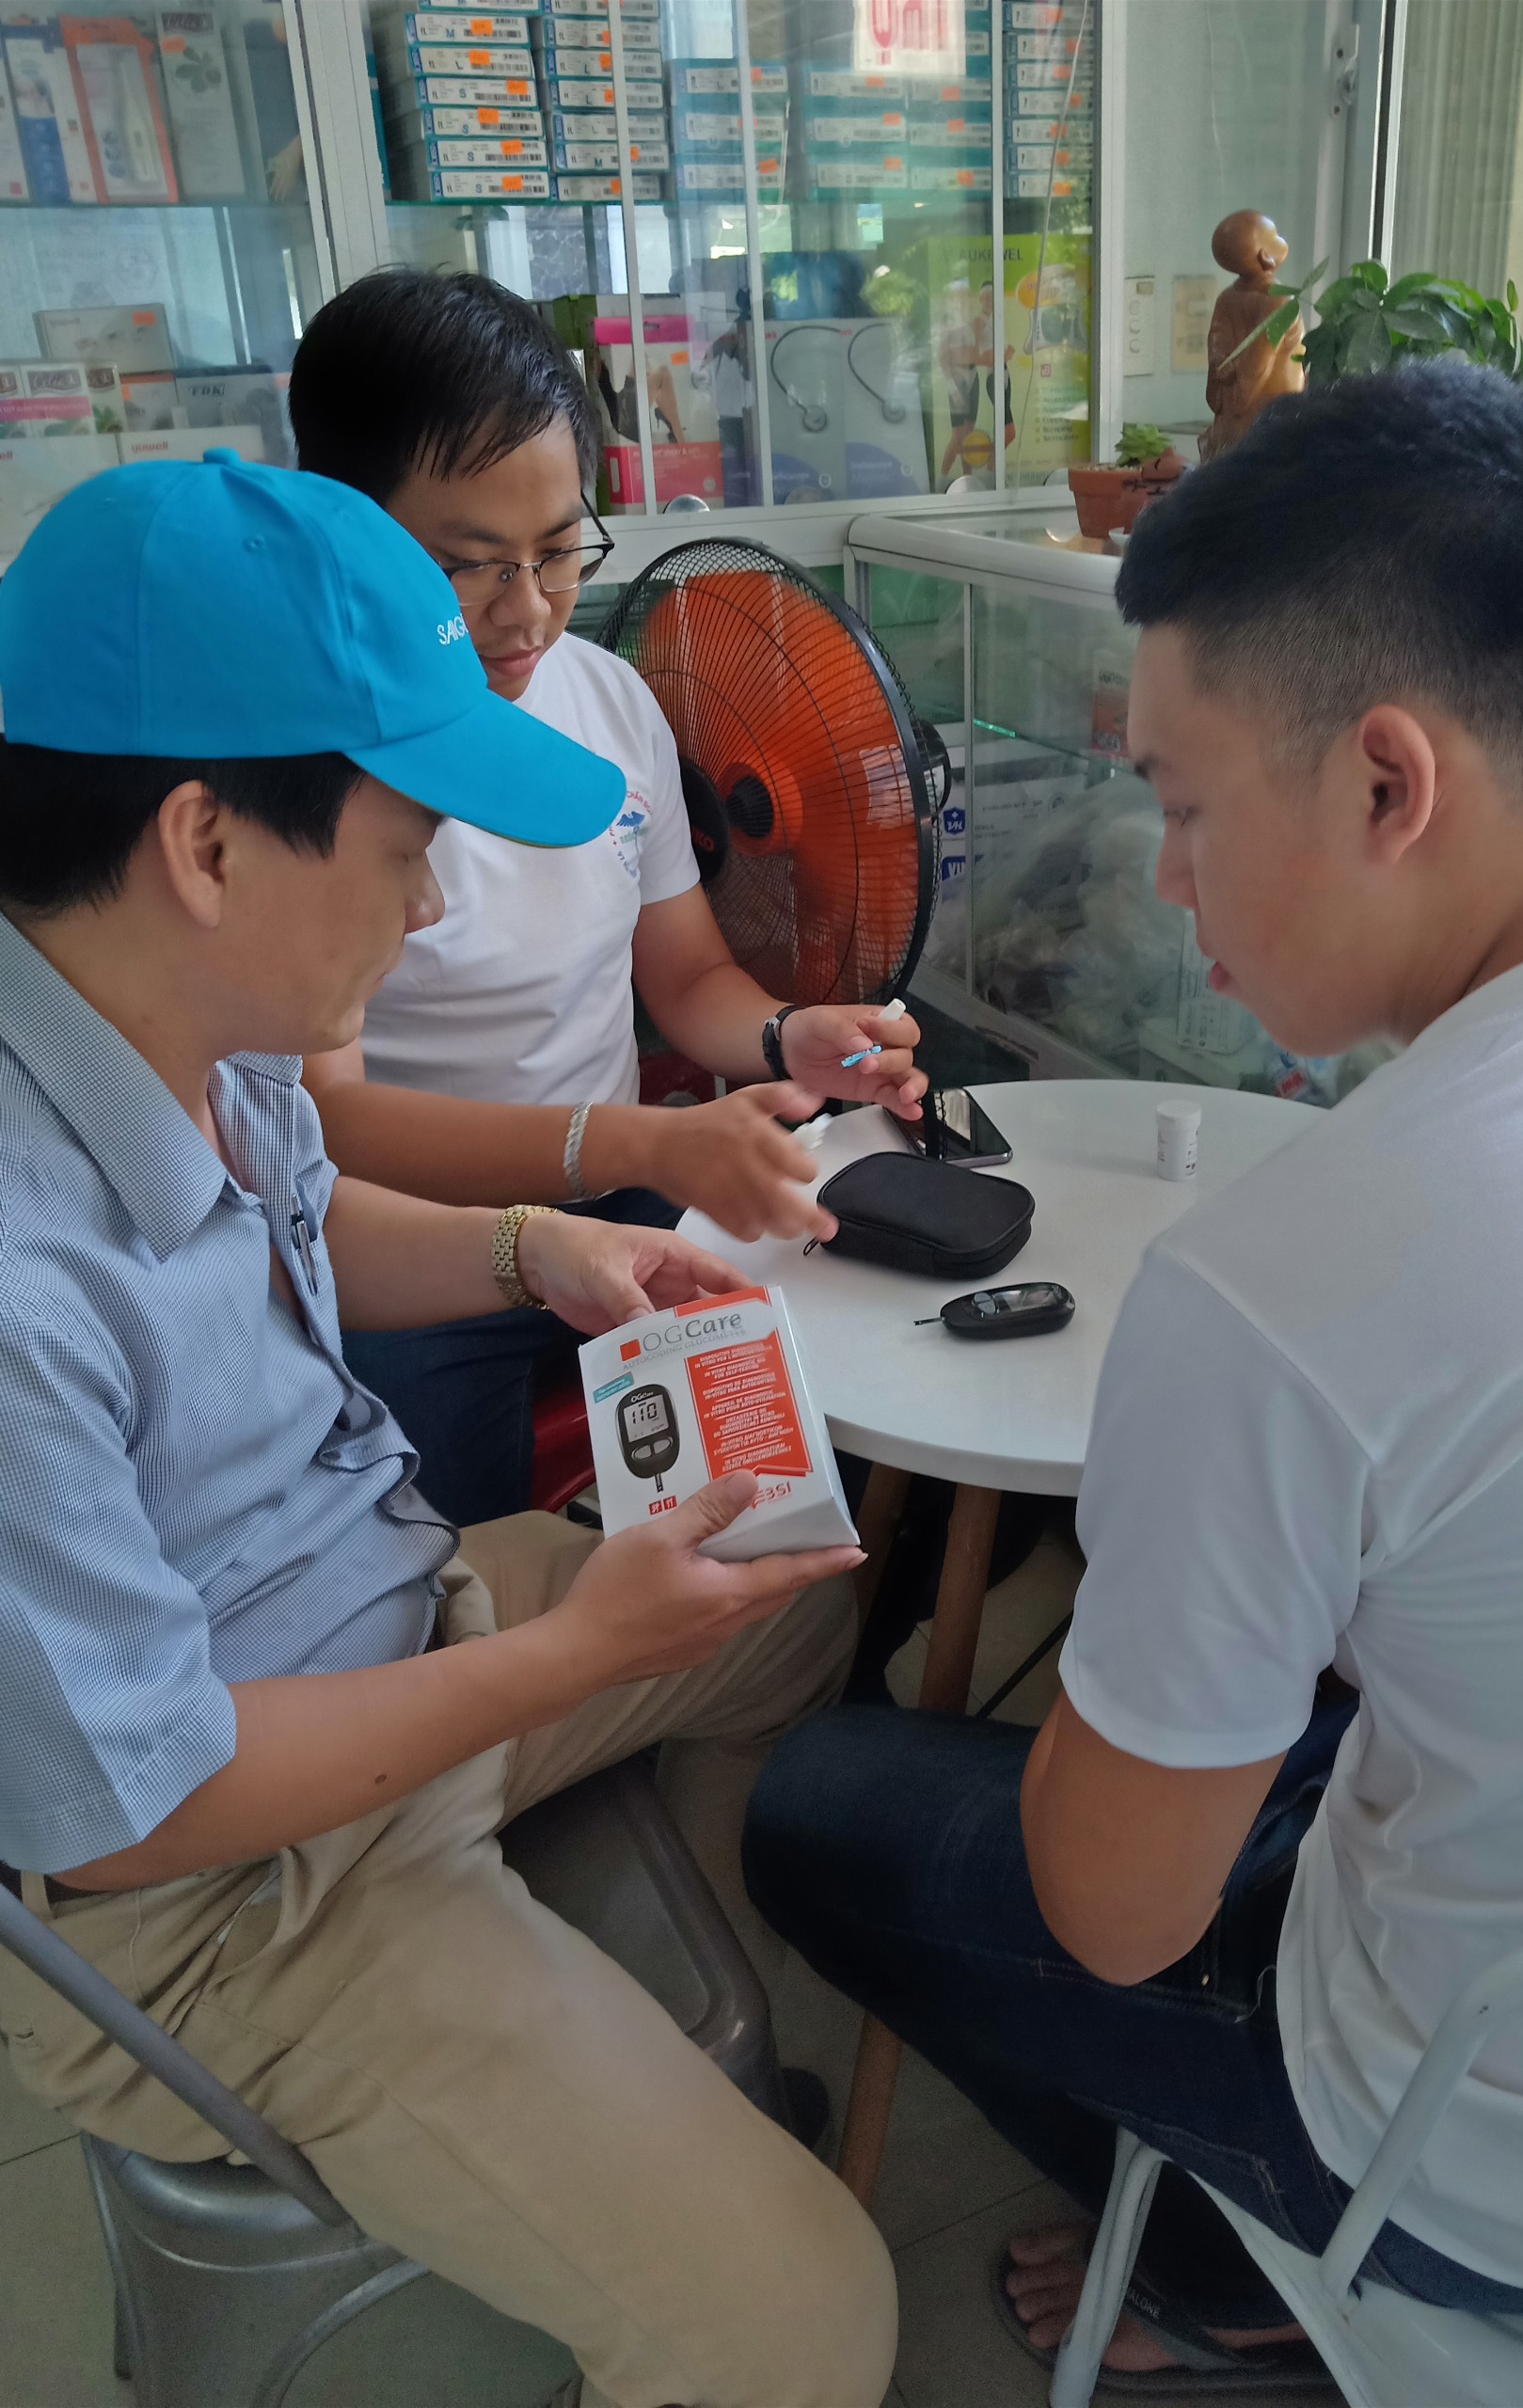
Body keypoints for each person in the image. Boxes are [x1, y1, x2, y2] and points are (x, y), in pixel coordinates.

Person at [742, 360, 1523, 2388]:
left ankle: (1231, 2263)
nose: (1162, 877)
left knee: (827, 1806)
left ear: (1389, 783)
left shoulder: (1285, 1283)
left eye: (1180, 800)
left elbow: (1116, 1914)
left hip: (1504, 2189)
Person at [0, 454, 896, 2408]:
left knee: (801, 1613)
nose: (425, 907)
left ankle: (625, 2075)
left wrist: (535, 1249)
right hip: (233, 1888)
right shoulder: (14, 1287)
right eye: (408, 846)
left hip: (390, 1604)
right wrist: (575, 1655)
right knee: (814, 2329)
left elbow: (304, 1217)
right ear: (205, 841)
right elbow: (144, 1810)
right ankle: (606, 2150)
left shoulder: (169, 1014)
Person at [285, 268, 926, 1525]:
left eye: (558, 549)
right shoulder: (302, 772)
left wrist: (786, 1037)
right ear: (345, 534)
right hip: (412, 1240)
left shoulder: (607, 697)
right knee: (445, 1551)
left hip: (626, 1190)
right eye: (470, 565)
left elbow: (683, 976)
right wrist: (639, 1143)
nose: (527, 613)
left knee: (841, 1349)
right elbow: (331, 1123)